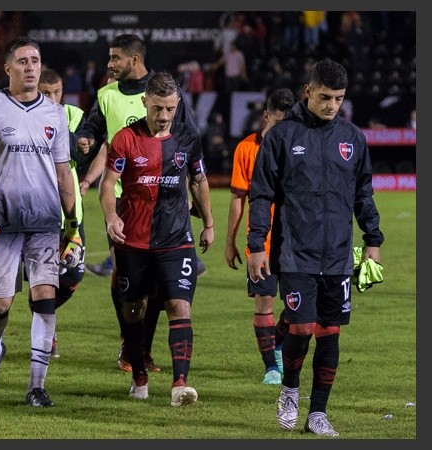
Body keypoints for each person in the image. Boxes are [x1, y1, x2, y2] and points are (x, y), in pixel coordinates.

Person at [247, 59, 384, 436]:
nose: (331, 106)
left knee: (330, 332)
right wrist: (256, 245)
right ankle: (289, 391)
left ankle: (318, 414)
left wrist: (373, 240)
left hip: (338, 253)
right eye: (325, 97)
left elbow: (363, 193)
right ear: (308, 91)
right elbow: (261, 195)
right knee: (303, 326)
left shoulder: (352, 138)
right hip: (295, 252)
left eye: (339, 99)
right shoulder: (282, 136)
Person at [0, 36, 80, 407]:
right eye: (23, 61)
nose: (30, 67)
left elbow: (63, 174)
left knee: (44, 297)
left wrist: (72, 226)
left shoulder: (56, 114)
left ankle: (36, 387)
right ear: (8, 68)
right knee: (0, 304)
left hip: (44, 222)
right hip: (0, 224)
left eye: (36, 60)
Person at [100, 71, 213, 406]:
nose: (163, 116)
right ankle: (139, 374)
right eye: (157, 108)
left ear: (177, 105)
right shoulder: (124, 139)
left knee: (179, 306)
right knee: (133, 310)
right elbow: (108, 185)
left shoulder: (187, 138)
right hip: (133, 241)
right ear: (144, 102)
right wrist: (111, 217)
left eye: (170, 109)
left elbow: (199, 179)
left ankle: (180, 384)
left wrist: (208, 223)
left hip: (176, 239)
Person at [74, 33, 164, 373]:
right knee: (126, 276)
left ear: (134, 60)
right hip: (122, 201)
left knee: (155, 282)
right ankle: (130, 345)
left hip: (159, 200)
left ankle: (143, 349)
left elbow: (183, 140)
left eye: (115, 58)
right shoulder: (106, 95)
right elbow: (91, 129)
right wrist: (83, 141)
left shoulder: (161, 91)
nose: (110, 64)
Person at [224, 87, 295, 385]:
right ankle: (271, 367)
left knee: (299, 309)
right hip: (262, 243)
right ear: (266, 116)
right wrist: (230, 240)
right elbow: (239, 197)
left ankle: (277, 343)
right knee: (264, 303)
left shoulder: (296, 148)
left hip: (294, 242)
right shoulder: (246, 149)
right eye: (278, 123)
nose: (283, 130)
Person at [31, 67, 90, 358]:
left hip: (71, 213)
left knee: (74, 275)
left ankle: (43, 313)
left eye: (57, 92)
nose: (52, 99)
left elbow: (84, 152)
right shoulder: (28, 117)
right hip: (39, 212)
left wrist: (83, 146)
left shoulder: (76, 116)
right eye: (46, 93)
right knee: (44, 278)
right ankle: (47, 332)